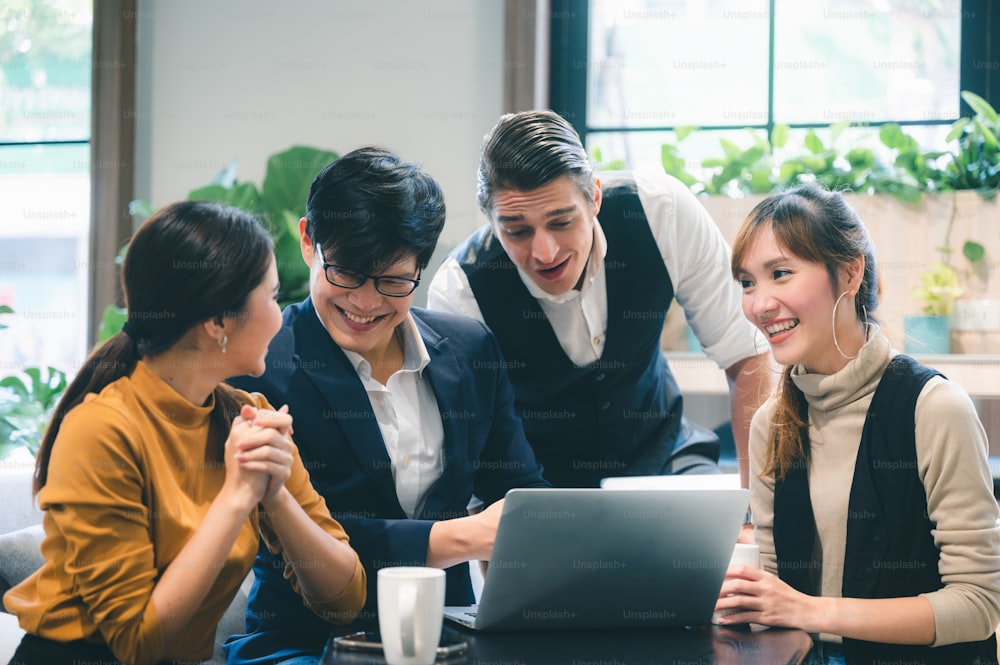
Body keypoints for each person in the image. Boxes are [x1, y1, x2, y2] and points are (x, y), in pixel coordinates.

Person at [223, 147, 549, 665]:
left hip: (451, 640)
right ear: (310, 241)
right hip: (304, 645)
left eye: (394, 282)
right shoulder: (262, 366)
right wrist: (457, 537)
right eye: (347, 274)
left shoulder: (470, 350)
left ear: (421, 266)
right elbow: (310, 532)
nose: (367, 303)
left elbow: (522, 497)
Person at [2, 202, 366, 665]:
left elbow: (346, 601)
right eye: (272, 297)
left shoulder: (250, 418)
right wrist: (236, 496)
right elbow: (137, 643)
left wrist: (276, 497)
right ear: (217, 322)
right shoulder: (101, 431)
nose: (281, 317)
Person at [715, 184, 1000, 664]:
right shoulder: (771, 424)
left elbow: (978, 605)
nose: (759, 304)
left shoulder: (935, 408)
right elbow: (774, 597)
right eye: (747, 282)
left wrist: (809, 610)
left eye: (780, 274)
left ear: (849, 272)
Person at [428, 110, 771, 489]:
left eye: (561, 222)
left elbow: (746, 354)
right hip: (540, 490)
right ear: (490, 220)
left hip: (666, 461)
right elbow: (471, 438)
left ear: (594, 196)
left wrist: (753, 504)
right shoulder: (461, 290)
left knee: (713, 543)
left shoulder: (663, 213)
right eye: (518, 231)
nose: (545, 252)